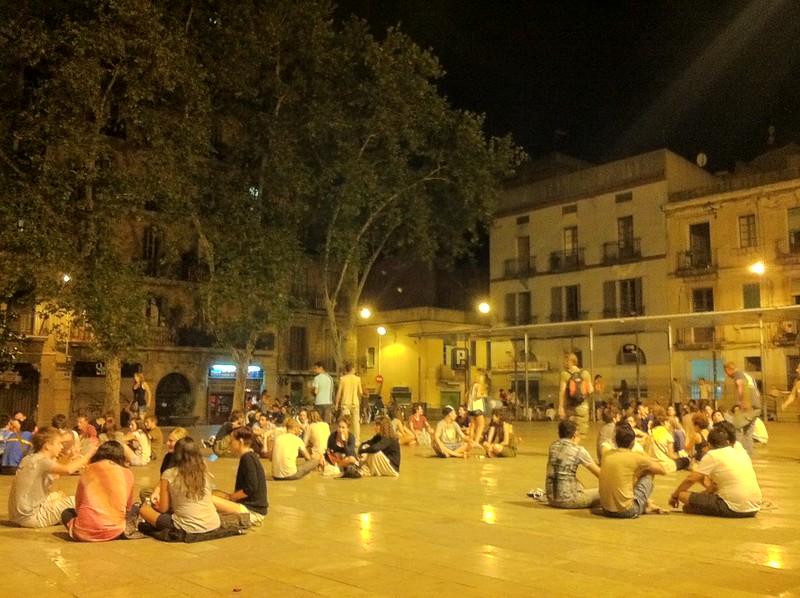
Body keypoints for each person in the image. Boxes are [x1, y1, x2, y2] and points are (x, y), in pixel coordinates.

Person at [8, 427, 98, 527]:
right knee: (77, 500)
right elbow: (68, 470)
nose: (61, 447)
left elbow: (57, 473)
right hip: (30, 517)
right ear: (47, 445)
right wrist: (89, 454)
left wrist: (70, 457)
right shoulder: (42, 461)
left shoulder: (30, 458)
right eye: (59, 443)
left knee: (59, 495)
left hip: (16, 515)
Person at [669, 426, 762, 518]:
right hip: (754, 507)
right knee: (693, 503)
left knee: (682, 495)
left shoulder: (713, 455)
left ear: (709, 445)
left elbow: (690, 479)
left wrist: (675, 496)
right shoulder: (740, 452)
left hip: (732, 508)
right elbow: (713, 487)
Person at [140, 437, 221, 534]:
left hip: (186, 526)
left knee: (144, 510)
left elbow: (163, 509)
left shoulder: (169, 474)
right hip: (213, 522)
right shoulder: (203, 471)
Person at [61, 440, 134, 541]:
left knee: (66, 513)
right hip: (115, 531)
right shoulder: (127, 473)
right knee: (136, 509)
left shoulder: (89, 470)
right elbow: (128, 507)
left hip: (83, 533)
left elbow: (79, 504)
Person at [599, 423, 666, 518]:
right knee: (648, 472)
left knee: (626, 474)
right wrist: (647, 459)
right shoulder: (635, 457)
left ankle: (642, 504)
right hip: (626, 511)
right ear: (632, 442)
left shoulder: (606, 454)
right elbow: (662, 470)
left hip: (606, 509)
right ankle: (643, 505)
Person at [211, 427, 268, 524]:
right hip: (250, 507)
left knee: (209, 499)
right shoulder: (250, 456)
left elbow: (250, 488)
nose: (229, 445)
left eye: (231, 441)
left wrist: (231, 498)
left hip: (251, 511)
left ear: (240, 442)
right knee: (212, 493)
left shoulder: (247, 458)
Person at [545, 419, 600, 509]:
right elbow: (599, 474)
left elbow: (564, 456)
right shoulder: (579, 450)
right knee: (602, 493)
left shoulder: (553, 446)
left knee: (578, 483)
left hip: (551, 498)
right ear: (575, 434)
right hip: (568, 500)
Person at [723, 361, 762, 457]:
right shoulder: (749, 375)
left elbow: (740, 385)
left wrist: (740, 402)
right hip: (756, 407)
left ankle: (738, 455)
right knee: (748, 433)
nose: (726, 375)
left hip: (747, 407)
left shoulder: (738, 374)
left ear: (728, 370)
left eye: (726, 372)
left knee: (738, 429)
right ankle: (748, 456)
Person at [646, 406, 690, 472]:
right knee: (686, 460)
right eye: (667, 422)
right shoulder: (667, 435)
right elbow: (671, 456)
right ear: (662, 423)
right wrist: (679, 455)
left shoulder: (651, 433)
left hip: (651, 464)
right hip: (664, 465)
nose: (669, 424)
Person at [558, 353, 593, 436]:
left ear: (569, 362)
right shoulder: (585, 373)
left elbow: (562, 392)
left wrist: (560, 407)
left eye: (565, 361)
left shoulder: (565, 374)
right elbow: (591, 390)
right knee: (580, 433)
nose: (564, 363)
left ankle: (571, 447)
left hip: (570, 408)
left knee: (569, 432)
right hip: (583, 407)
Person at [335, 362, 366, 443]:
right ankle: (356, 441)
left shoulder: (342, 379)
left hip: (345, 403)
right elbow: (360, 392)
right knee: (356, 423)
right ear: (352, 369)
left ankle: (345, 439)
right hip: (355, 403)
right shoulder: (357, 379)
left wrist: (336, 404)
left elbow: (339, 393)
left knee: (345, 423)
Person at [467, 374, 489, 447]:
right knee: (481, 425)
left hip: (470, 408)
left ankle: (470, 440)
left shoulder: (472, 387)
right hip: (477, 408)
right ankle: (476, 441)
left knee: (472, 425)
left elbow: (466, 396)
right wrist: (484, 395)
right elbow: (478, 396)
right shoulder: (478, 386)